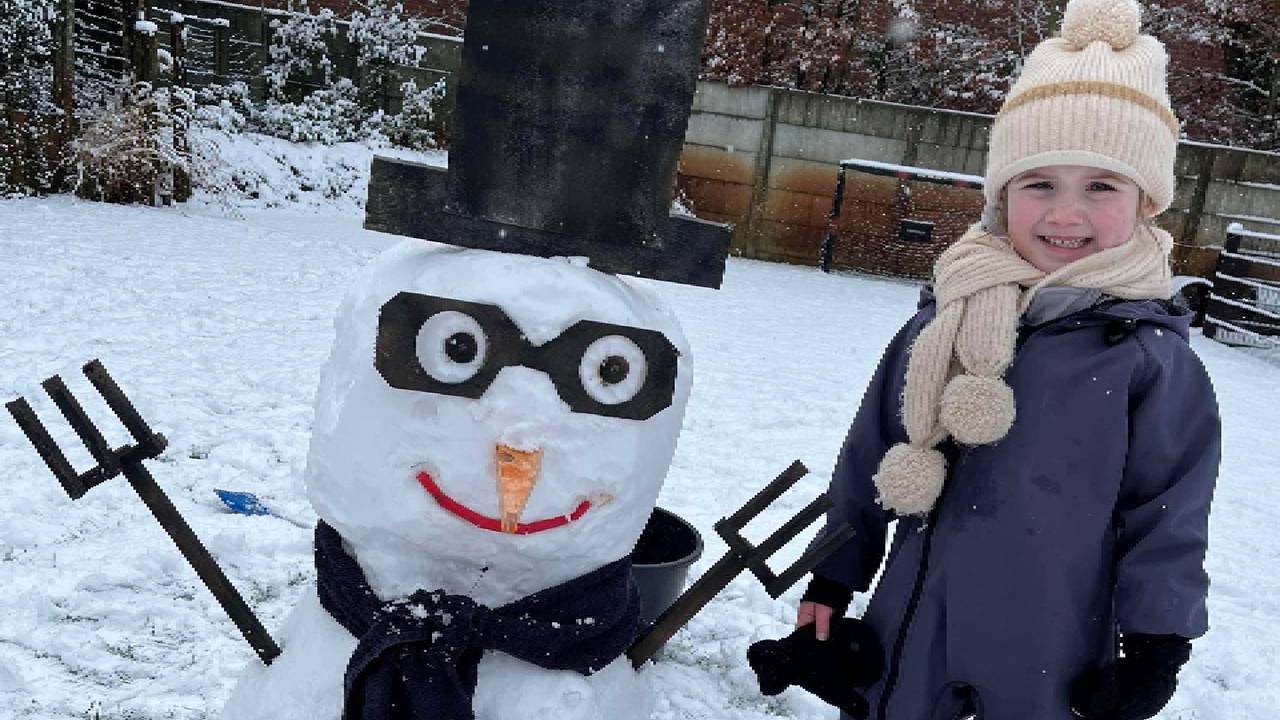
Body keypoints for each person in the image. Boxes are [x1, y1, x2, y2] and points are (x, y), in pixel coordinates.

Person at [795, 1, 1221, 719]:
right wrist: (832, 581)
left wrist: (1156, 643)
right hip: (913, 623)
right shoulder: (942, 324)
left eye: (1101, 186)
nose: (1065, 213)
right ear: (1000, 195)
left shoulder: (1152, 363)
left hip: (1052, 640)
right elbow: (871, 455)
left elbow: (1169, 515)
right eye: (1039, 183)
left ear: (1146, 203)